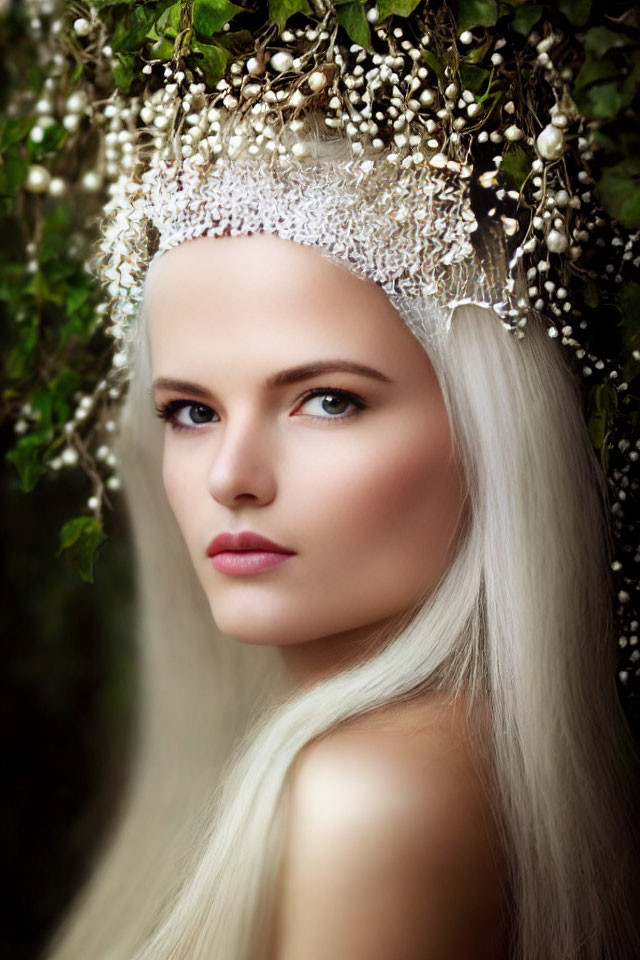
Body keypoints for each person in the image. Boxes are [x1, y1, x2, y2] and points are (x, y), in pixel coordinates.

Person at [43, 119, 640, 958]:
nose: (231, 476)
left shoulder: (367, 801)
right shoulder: (450, 768)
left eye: (327, 400)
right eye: (192, 412)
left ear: (491, 429)